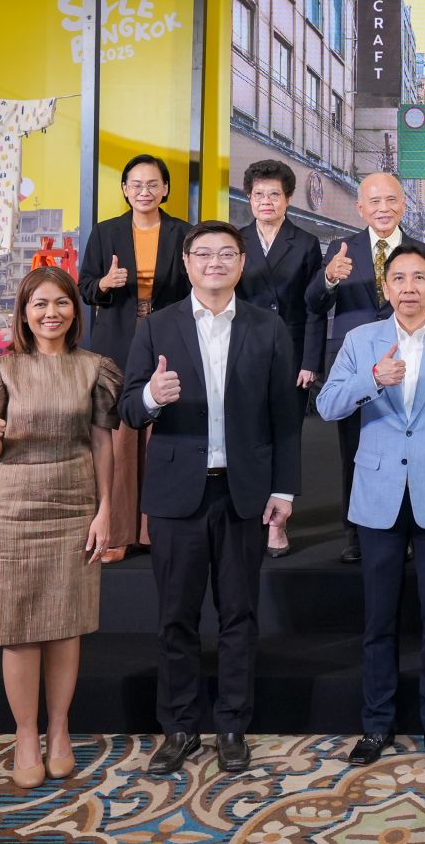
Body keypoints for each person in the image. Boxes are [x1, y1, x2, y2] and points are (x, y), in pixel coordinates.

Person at [118, 220, 301, 775]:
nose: (214, 262)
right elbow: (127, 408)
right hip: (177, 496)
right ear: (187, 263)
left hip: (244, 493)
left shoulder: (268, 327)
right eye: (203, 254)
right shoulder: (158, 327)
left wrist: (284, 489)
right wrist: (152, 396)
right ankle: (178, 727)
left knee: (238, 615)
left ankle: (232, 725)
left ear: (241, 264)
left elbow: (285, 417)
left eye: (226, 254)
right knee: (175, 616)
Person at [319, 243, 425, 769]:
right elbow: (327, 405)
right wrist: (372, 378)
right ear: (386, 287)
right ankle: (377, 725)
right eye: (399, 278)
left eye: (420, 278)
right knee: (379, 621)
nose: (409, 287)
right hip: (379, 497)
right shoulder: (360, 340)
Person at [0, 266, 121, 788]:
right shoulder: (1, 371)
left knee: (65, 624)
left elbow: (102, 443)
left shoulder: (94, 369)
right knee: (17, 628)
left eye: (61, 302)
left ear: (75, 310)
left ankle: (59, 728)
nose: (51, 313)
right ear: (24, 313)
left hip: (74, 503)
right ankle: (25, 734)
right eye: (40, 304)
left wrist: (106, 509)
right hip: (12, 506)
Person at [306, 171, 425, 564]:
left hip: (411, 364)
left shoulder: (424, 252)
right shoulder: (341, 249)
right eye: (375, 202)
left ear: (403, 204)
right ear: (360, 208)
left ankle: (411, 528)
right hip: (357, 367)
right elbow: (313, 302)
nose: (383, 209)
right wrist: (329, 278)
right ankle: (355, 530)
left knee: (410, 447)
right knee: (355, 450)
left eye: (391, 200)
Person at [78, 154, 191, 561]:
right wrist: (105, 283)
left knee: (164, 436)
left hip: (169, 340)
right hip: (117, 343)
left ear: (165, 189)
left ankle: (156, 529)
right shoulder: (106, 232)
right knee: (120, 438)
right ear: (125, 189)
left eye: (153, 184)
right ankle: (118, 533)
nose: (145, 191)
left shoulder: (183, 233)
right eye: (136, 184)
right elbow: (85, 287)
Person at [235, 160, 325, 558]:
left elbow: (315, 307)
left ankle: (278, 520)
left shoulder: (305, 243)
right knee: (247, 433)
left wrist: (310, 360)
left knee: (286, 435)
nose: (266, 201)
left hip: (290, 350)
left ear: (288, 199)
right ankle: (250, 511)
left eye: (274, 194)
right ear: (248, 198)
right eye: (259, 194)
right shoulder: (235, 241)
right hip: (245, 350)